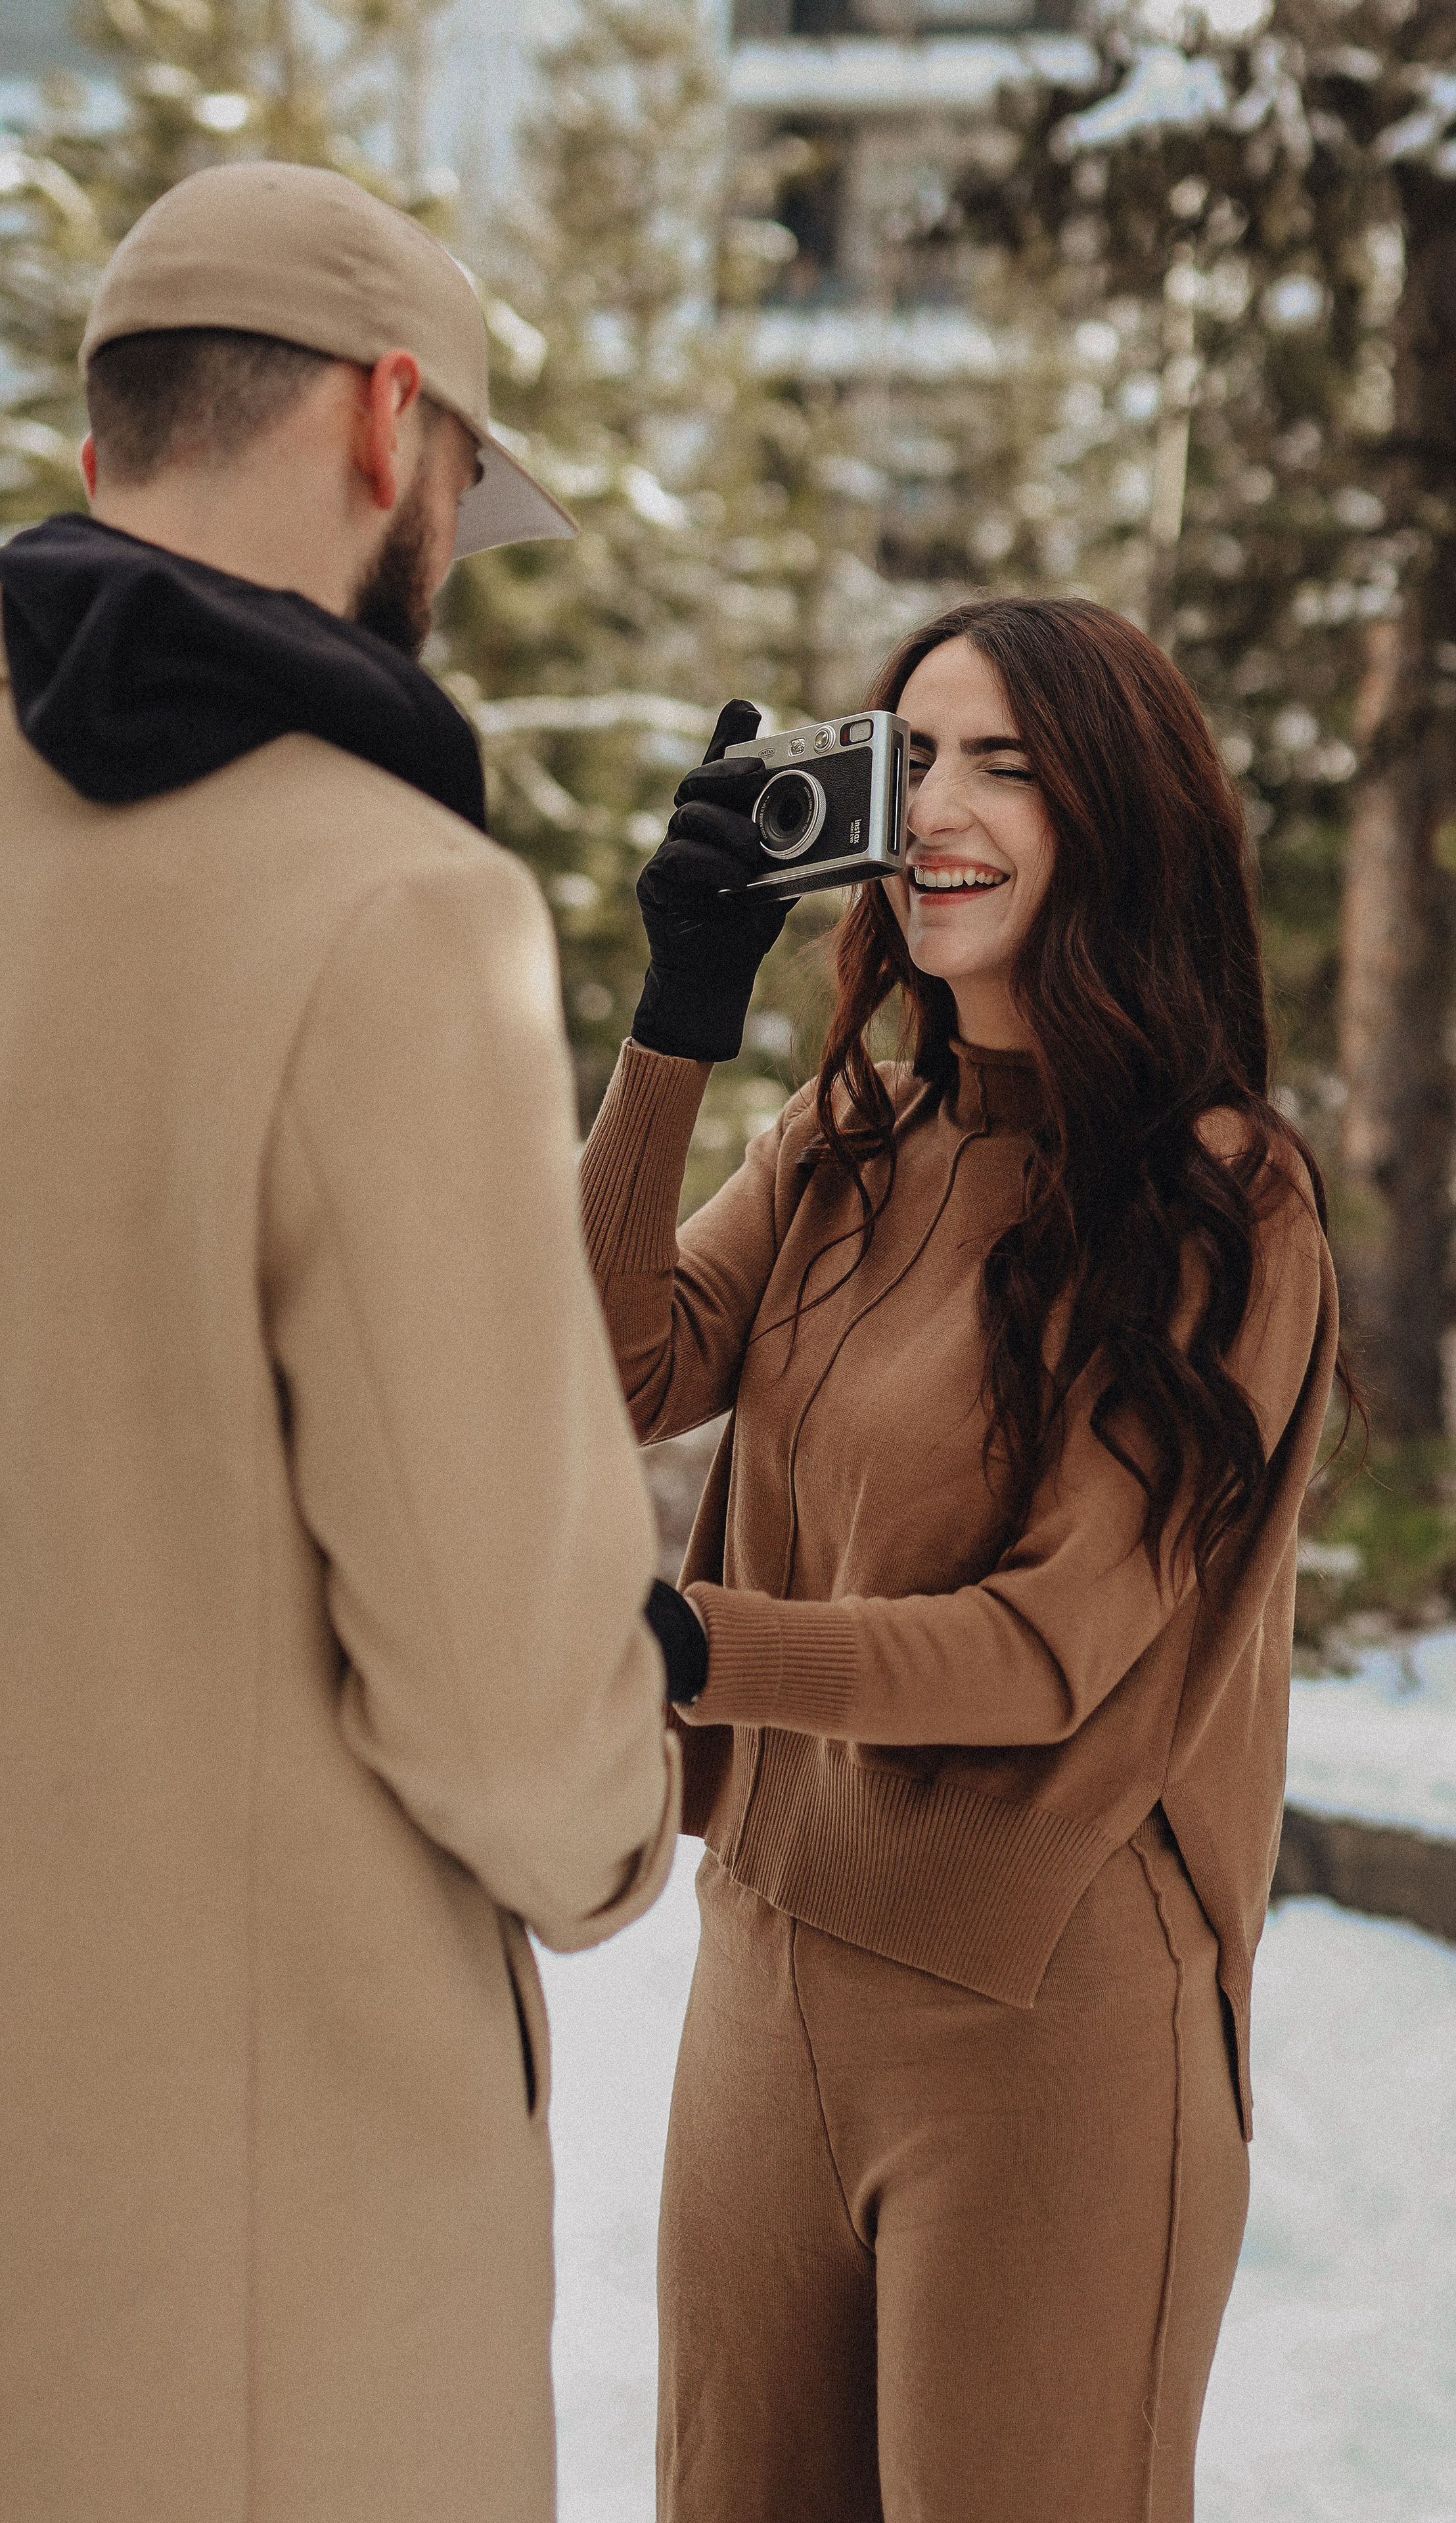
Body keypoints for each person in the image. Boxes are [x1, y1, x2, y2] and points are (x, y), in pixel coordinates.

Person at [0, 163, 683, 2523]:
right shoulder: (392, 907)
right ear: (395, 425)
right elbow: (507, 1690)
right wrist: (629, 1826)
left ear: (104, 455)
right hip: (258, 2255)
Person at [581, 595, 1350, 2522]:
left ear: (1121, 812)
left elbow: (1047, 1645)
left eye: (1005, 760)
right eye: (913, 755)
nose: (940, 804)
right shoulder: (852, 1142)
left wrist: (685, 1646)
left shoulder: (1222, 1198)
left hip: (1049, 2024)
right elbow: (607, 1369)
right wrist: (680, 1019)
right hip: (766, 1983)